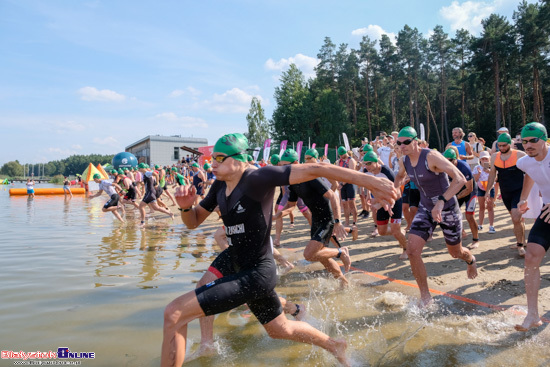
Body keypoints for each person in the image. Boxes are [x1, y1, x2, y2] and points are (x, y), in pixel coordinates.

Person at [162, 133, 398, 367]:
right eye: (212, 158)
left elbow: (317, 169)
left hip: (256, 272)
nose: (212, 163)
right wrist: (185, 208)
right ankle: (334, 345)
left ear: (240, 159)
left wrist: (370, 181)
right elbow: (193, 222)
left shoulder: (258, 177)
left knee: (174, 312)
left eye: (220, 158)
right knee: (279, 329)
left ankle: (204, 344)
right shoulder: (219, 186)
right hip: (234, 258)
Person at [393, 126, 477, 306]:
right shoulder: (404, 161)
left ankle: (470, 259)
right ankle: (425, 296)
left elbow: (460, 178)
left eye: (406, 142)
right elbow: (399, 177)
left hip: (447, 208)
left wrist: (440, 202)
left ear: (416, 141)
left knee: (455, 252)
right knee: (412, 251)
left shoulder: (431, 157)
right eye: (399, 143)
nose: (402, 146)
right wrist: (392, 192)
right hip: (426, 208)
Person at [279, 148, 353, 287]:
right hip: (316, 220)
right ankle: (343, 282)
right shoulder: (293, 182)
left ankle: (341, 251)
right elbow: (291, 204)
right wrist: (277, 215)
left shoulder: (309, 177)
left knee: (309, 255)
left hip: (327, 219)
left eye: (285, 166)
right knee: (322, 257)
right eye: (281, 166)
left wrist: (337, 221)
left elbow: (332, 195)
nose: (282, 169)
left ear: (295, 162)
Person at [515, 122, 550, 332]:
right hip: (547, 211)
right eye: (524, 141)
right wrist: (523, 198)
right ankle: (533, 314)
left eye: (533, 140)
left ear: (544, 139)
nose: (528, 145)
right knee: (531, 256)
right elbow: (529, 174)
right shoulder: (524, 162)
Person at [486, 133, 527, 257]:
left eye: (504, 145)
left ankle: (520, 246)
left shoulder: (520, 155)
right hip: (505, 192)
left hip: (518, 191)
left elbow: (530, 171)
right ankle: (523, 241)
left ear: (510, 144)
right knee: (517, 220)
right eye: (499, 146)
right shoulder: (494, 157)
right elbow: (492, 174)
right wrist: (488, 190)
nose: (502, 148)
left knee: (515, 218)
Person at [363, 151, 408, 260]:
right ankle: (400, 233)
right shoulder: (365, 171)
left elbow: (397, 191)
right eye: (365, 163)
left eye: (369, 163)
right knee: (381, 231)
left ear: (376, 162)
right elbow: (368, 184)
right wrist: (371, 195)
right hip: (382, 202)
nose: (366, 166)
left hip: (395, 201)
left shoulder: (386, 171)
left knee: (395, 231)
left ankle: (406, 248)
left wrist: (386, 203)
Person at [443, 147, 479, 249]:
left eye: (450, 161)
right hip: (457, 191)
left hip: (470, 191)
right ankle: (460, 234)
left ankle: (476, 240)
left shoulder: (463, 166)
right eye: (446, 161)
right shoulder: (444, 167)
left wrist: (455, 197)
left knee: (469, 216)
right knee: (452, 215)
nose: (448, 163)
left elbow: (469, 188)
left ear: (455, 159)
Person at [472, 151, 496, 234]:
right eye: (482, 158)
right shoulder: (477, 167)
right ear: (480, 160)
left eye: (486, 158)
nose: (484, 160)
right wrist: (478, 174)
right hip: (481, 188)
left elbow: (496, 179)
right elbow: (474, 180)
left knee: (490, 207)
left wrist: (489, 172)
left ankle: (491, 226)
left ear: (489, 159)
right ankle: (480, 224)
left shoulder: (493, 167)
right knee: (481, 207)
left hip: (490, 188)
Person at [335, 146, 358, 226]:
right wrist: (338, 183)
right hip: (342, 185)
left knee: (351, 203)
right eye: (340, 155)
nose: (341, 156)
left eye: (342, 155)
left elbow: (350, 174)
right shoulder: (339, 161)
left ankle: (354, 221)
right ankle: (347, 221)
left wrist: (341, 184)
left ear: (346, 153)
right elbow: (337, 173)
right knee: (344, 204)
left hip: (349, 183)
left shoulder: (351, 160)